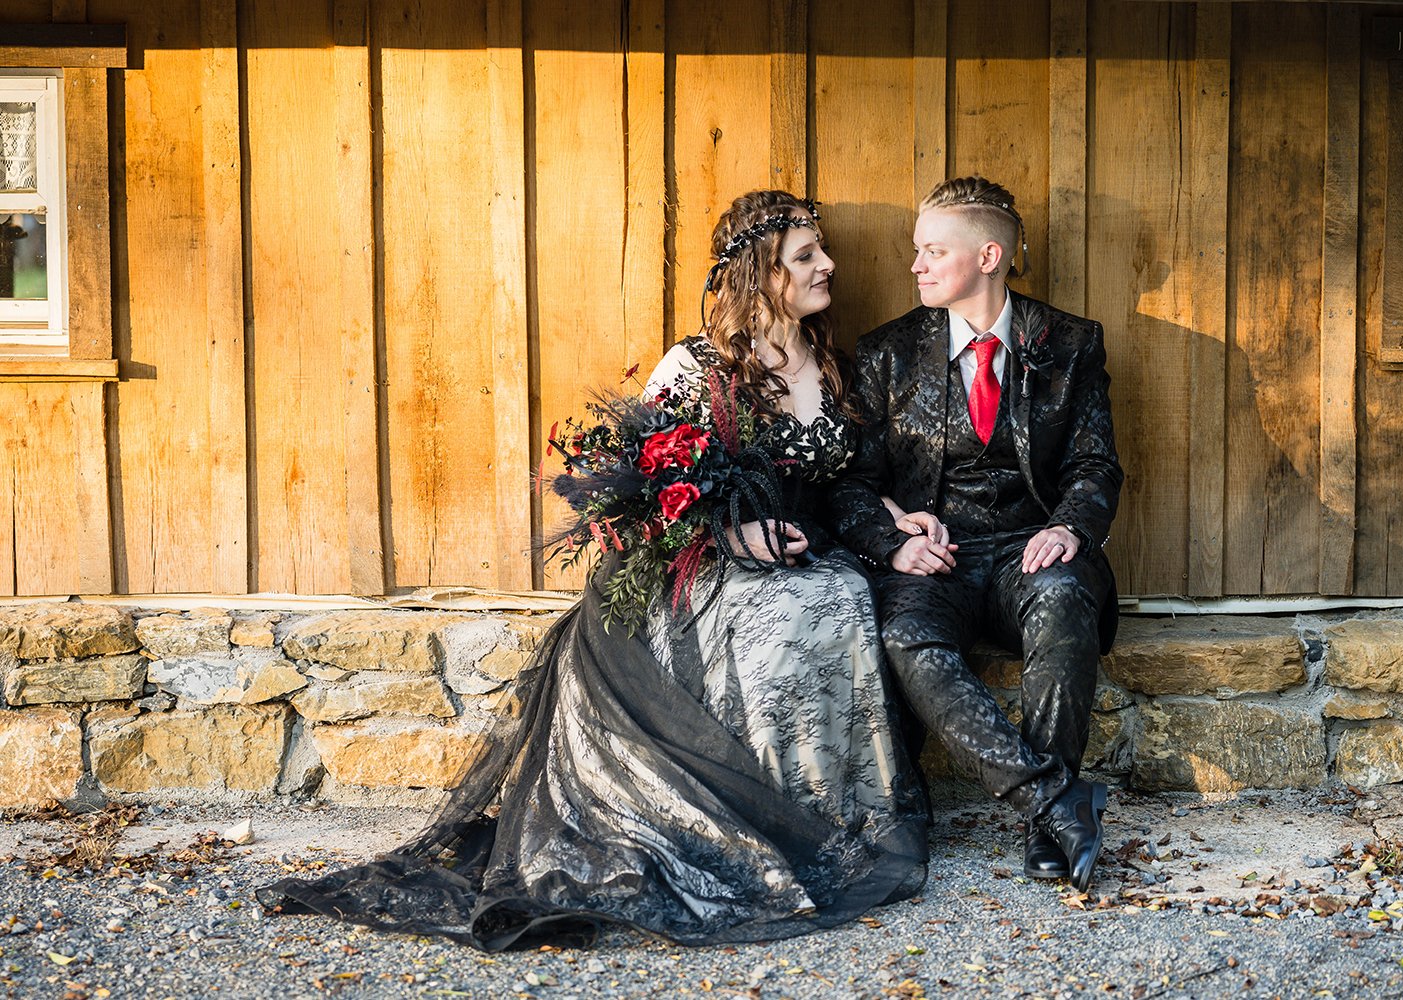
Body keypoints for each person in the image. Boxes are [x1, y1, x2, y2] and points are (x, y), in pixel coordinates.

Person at [257, 190, 932, 950]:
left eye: (821, 250)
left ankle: (829, 816)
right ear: (757, 272)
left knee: (842, 597)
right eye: (806, 255)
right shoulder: (697, 366)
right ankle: (758, 819)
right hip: (703, 564)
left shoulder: (829, 367)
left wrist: (887, 514)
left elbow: (841, 477)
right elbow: (647, 502)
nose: (828, 265)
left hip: (802, 550)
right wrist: (737, 537)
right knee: (789, 616)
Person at [830, 176, 1124, 891]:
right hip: (937, 552)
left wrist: (1070, 527)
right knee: (903, 636)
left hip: (1030, 546)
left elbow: (1095, 464)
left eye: (934, 250)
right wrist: (895, 540)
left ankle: (1040, 828)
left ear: (988, 255)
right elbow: (848, 483)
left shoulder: (1070, 344)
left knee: (1062, 600)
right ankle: (1052, 802)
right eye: (917, 251)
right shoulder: (887, 354)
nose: (916, 266)